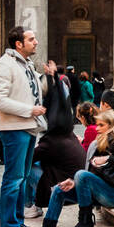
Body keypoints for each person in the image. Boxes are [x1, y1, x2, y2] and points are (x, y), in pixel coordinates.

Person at [22, 110, 114, 227]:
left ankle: (85, 219)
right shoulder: (100, 141)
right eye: (97, 124)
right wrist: (73, 181)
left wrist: (109, 158)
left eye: (101, 125)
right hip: (103, 189)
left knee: (81, 174)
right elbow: (93, 170)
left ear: (111, 125)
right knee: (60, 189)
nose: (97, 128)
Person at [0, 27, 47, 227]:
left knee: (21, 179)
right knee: (13, 179)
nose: (36, 42)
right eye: (31, 39)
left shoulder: (25, 65)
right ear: (18, 44)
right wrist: (28, 110)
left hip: (28, 126)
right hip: (14, 128)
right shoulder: (3, 66)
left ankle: (17, 222)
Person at [24, 60, 84, 218]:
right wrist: (54, 78)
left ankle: (29, 205)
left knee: (24, 165)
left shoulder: (51, 142)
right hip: (74, 188)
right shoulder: (67, 134)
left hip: (63, 191)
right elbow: (62, 105)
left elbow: (28, 158)